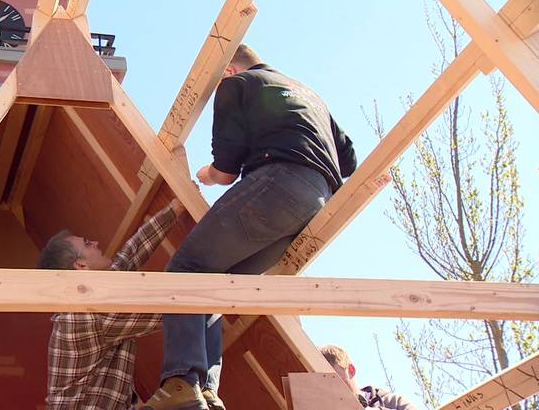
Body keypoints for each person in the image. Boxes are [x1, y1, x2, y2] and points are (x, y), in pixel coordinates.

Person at [142, 44, 357, 410]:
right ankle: (205, 392)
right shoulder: (308, 94)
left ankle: (180, 381)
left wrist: (204, 176)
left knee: (185, 270)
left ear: (227, 70)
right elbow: (348, 159)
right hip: (314, 205)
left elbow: (224, 172)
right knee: (213, 285)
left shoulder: (238, 84)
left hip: (279, 183)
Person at [39, 199, 187, 410]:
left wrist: (173, 210)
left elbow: (130, 255)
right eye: (88, 244)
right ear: (81, 265)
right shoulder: (87, 314)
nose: (96, 243)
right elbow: (167, 311)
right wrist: (212, 293)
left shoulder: (92, 302)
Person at [319, 345, 418, 410]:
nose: (335, 389)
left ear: (351, 370)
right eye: (326, 384)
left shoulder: (394, 402)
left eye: (336, 380)